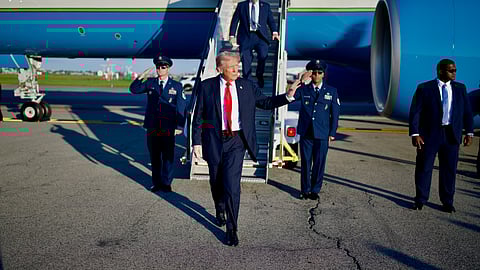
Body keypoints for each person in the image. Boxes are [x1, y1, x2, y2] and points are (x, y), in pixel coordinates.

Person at [192, 51, 301, 246]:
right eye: (231, 67)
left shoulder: (247, 86)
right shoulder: (206, 87)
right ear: (219, 69)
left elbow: (266, 103)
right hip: (214, 141)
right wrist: (196, 142)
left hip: (236, 142)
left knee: (232, 185)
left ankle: (232, 229)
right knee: (216, 181)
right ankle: (220, 206)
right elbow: (198, 117)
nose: (236, 70)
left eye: (237, 66)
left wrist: (288, 96)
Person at [409, 58, 474, 212]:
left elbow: (467, 112)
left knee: (449, 169)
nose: (454, 73)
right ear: (440, 71)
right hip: (430, 135)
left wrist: (469, 132)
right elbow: (415, 112)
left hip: (451, 134)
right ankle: (420, 199)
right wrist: (415, 133)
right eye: (451, 70)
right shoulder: (425, 88)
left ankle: (447, 201)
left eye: (455, 70)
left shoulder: (460, 88)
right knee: (424, 167)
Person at [130, 55, 186, 193]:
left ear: (168, 68)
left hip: (168, 128)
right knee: (155, 157)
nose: (160, 69)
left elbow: (181, 107)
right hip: (153, 127)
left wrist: (179, 126)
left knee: (168, 156)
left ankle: (166, 183)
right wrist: (141, 76)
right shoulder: (150, 83)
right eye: (158, 67)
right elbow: (134, 89)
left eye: (163, 67)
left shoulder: (177, 86)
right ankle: (156, 183)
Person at [292, 60, 340, 200]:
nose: (316, 75)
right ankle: (305, 190)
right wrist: (299, 81)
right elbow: (291, 97)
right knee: (306, 162)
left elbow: (335, 114)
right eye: (313, 72)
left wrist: (332, 132)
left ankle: (315, 190)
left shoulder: (331, 91)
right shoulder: (304, 90)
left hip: (322, 133)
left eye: (319, 72)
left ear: (323, 74)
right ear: (310, 74)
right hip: (307, 132)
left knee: (319, 163)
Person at [229, 0, 279, 88]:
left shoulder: (265, 6)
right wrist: (232, 35)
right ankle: (247, 81)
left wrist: (274, 32)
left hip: (261, 37)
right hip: (246, 37)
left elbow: (270, 20)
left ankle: (259, 75)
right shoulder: (242, 5)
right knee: (246, 59)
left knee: (263, 55)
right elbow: (235, 20)